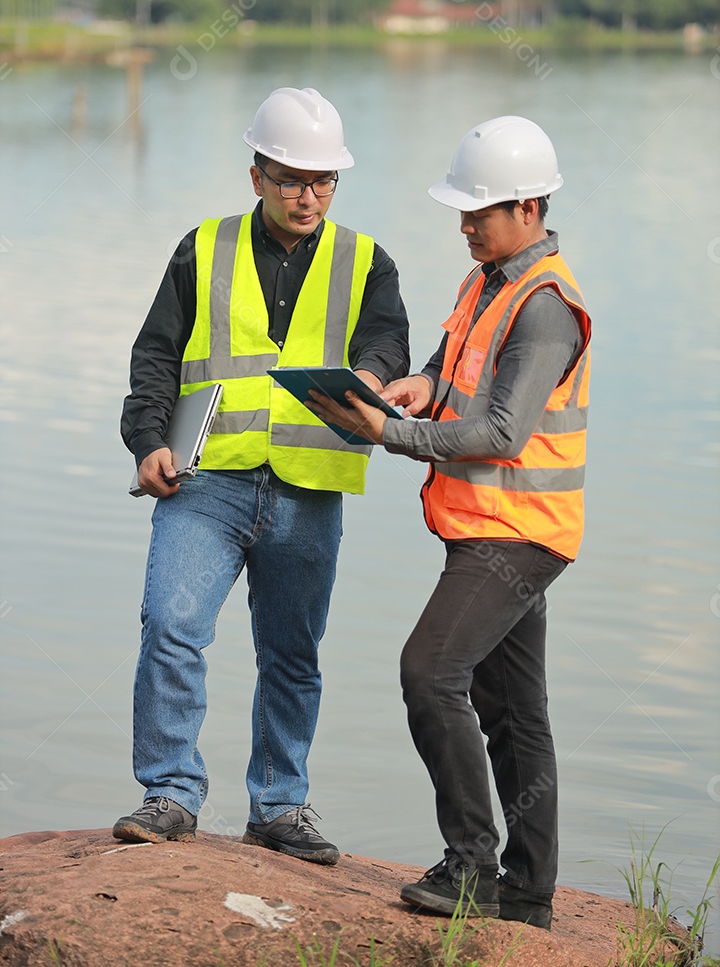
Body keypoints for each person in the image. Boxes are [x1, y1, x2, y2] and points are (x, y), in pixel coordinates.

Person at [114, 87, 410, 864]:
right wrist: (147, 440)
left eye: (322, 181)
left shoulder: (366, 260)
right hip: (204, 480)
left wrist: (375, 376)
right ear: (256, 176)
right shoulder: (201, 248)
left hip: (309, 488)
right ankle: (171, 793)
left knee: (292, 651)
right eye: (289, 178)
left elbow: (387, 345)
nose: (307, 195)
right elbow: (156, 356)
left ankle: (279, 806)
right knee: (171, 625)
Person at [307, 116, 590, 922]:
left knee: (429, 673)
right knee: (512, 709)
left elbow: (503, 432)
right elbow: (448, 365)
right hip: (487, 526)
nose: (466, 225)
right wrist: (420, 387)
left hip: (520, 533)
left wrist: (387, 431)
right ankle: (529, 894)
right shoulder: (488, 279)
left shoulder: (545, 306)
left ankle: (471, 867)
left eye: (481, 212)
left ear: (530, 208)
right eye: (462, 211)